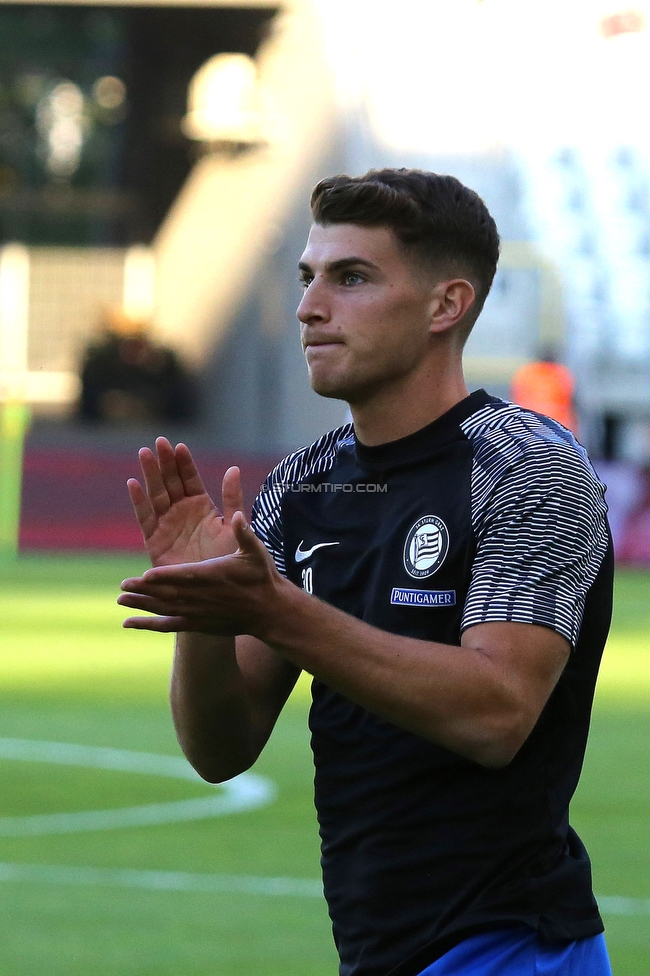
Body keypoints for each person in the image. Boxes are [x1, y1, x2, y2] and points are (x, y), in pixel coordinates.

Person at [118, 169, 614, 976]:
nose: (312, 307)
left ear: (445, 306)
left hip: (510, 946)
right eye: (308, 278)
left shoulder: (527, 469)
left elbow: (498, 715)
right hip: (377, 949)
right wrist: (205, 613)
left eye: (352, 278)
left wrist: (276, 610)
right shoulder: (301, 486)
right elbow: (221, 747)